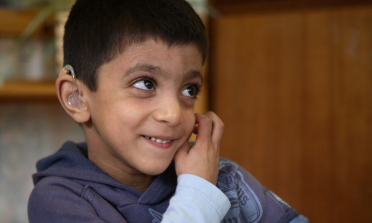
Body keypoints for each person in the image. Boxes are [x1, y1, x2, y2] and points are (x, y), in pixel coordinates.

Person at [28, 0, 309, 222]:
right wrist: (198, 193)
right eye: (145, 83)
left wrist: (202, 182)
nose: (174, 114)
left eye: (189, 89)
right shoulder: (57, 201)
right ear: (76, 97)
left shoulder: (221, 177)